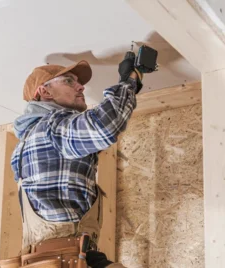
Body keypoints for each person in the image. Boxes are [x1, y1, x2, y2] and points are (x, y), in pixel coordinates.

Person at [10, 57, 142, 265]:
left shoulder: (34, 138)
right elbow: (103, 127)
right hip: (64, 257)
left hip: (64, 257)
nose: (81, 87)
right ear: (44, 92)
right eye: (69, 81)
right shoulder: (51, 127)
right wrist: (129, 82)